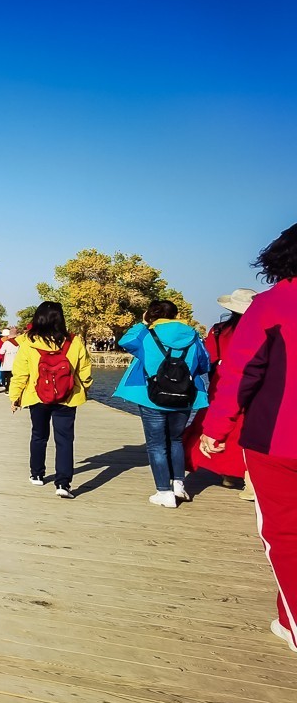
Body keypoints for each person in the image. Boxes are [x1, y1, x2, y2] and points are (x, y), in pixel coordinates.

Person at [200, 223, 297, 654]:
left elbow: (242, 373)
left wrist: (215, 430)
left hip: (278, 443)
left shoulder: (274, 303)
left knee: (286, 535)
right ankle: (285, 616)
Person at [114, 300, 210, 508]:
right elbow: (205, 364)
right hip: (184, 396)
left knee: (156, 444)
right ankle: (178, 485)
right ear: (175, 315)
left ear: (151, 314)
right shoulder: (193, 336)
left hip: (151, 396)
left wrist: (142, 323)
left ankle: (163, 492)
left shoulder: (146, 334)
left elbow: (125, 341)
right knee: (175, 439)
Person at [8, 301, 93, 499]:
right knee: (64, 440)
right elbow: (85, 371)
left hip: (37, 396)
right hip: (67, 397)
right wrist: (84, 389)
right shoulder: (74, 341)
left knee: (39, 435)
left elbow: (20, 373)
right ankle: (63, 484)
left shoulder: (28, 343)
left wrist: (15, 397)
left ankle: (37, 474)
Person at [182, 288, 257, 499]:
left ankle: (227, 474)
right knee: (248, 428)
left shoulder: (218, 331)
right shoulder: (261, 329)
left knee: (219, 424)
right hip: (255, 381)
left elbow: (208, 360)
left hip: (222, 381)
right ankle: (248, 478)